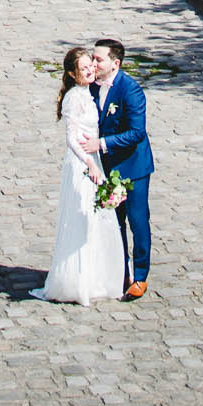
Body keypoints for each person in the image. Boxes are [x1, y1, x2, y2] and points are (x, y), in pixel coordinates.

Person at [29, 47, 126, 305]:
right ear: (72, 74)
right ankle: (77, 281)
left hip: (93, 159)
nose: (90, 70)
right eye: (83, 68)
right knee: (82, 218)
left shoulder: (87, 92)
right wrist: (89, 165)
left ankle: (95, 277)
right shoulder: (75, 97)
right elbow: (71, 138)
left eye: (91, 66)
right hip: (82, 163)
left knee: (95, 220)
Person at [81, 38, 153, 299]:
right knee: (114, 223)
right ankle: (121, 272)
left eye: (99, 59)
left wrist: (101, 144)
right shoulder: (90, 88)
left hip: (133, 167)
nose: (94, 63)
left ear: (115, 63)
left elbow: (136, 132)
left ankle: (141, 275)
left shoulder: (129, 90)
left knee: (137, 220)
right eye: (93, 57)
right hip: (107, 168)